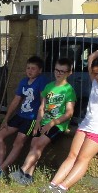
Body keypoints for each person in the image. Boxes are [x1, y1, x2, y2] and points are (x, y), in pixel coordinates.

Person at [42, 41, 98, 193]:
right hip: (86, 124)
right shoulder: (95, 82)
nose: (97, 76)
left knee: (82, 158)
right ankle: (52, 184)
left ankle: (63, 188)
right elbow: (92, 57)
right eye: (95, 73)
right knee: (72, 155)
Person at [11, 57, 76, 186]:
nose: (58, 73)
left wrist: (52, 123)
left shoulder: (69, 90)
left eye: (62, 71)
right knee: (34, 145)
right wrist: (38, 123)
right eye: (56, 70)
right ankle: (28, 176)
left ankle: (22, 171)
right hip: (44, 122)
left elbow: (69, 113)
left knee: (38, 145)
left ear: (69, 73)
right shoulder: (49, 86)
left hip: (57, 124)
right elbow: (42, 107)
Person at [0, 56, 49, 179]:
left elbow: (43, 103)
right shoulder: (24, 81)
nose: (30, 71)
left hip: (31, 119)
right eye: (28, 68)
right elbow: (16, 100)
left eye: (33, 68)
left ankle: (1, 169)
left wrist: (38, 121)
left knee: (18, 143)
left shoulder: (41, 81)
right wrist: (6, 118)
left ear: (40, 70)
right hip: (19, 115)